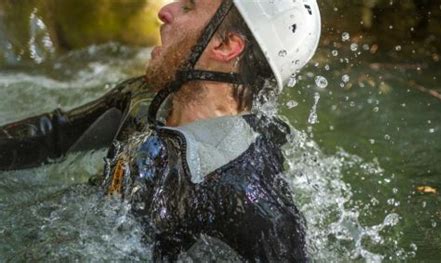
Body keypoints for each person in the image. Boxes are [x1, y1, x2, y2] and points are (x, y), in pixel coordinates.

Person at [0, 0, 321, 261]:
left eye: (189, 6)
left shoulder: (244, 184)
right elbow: (52, 136)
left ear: (226, 46)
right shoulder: (144, 98)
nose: (164, 10)